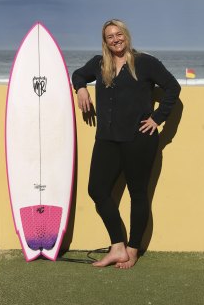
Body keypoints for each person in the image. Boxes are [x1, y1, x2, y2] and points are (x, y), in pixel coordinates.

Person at [72, 19, 181, 269]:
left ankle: (132, 249)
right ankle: (117, 246)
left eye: (118, 34)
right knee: (97, 190)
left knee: (138, 194)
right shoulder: (100, 64)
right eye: (110, 36)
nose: (115, 39)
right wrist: (81, 89)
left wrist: (157, 118)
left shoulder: (144, 62)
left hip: (139, 139)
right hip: (107, 139)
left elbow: (173, 87)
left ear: (126, 35)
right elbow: (78, 74)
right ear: (105, 41)